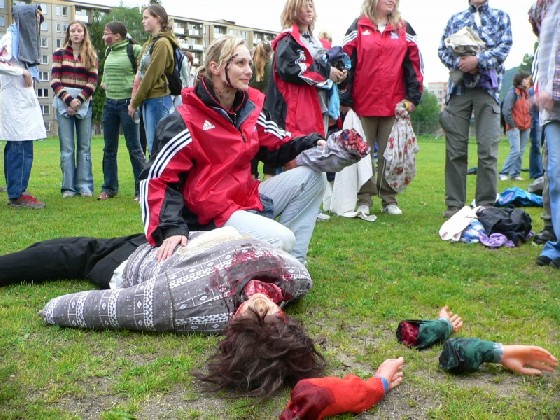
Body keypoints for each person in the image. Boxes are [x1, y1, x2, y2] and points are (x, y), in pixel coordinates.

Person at [0, 227, 325, 397]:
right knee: (72, 247)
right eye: (273, 320)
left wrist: (54, 309)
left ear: (234, 329)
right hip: (182, 238)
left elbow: (106, 307)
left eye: (253, 320)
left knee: (74, 252)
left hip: (131, 260)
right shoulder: (295, 281)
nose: (260, 306)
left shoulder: (184, 303)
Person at [139, 35, 326, 265]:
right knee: (282, 239)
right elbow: (156, 179)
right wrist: (171, 228)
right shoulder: (184, 121)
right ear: (215, 67)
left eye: (249, 63)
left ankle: (294, 265)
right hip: (211, 217)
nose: (249, 71)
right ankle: (281, 264)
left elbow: (278, 144)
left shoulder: (248, 110)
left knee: (312, 178)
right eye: (240, 63)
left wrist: (311, 142)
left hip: (245, 198)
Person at [341, 0, 423, 216]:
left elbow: (415, 65)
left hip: (394, 104)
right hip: (362, 103)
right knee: (361, 154)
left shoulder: (405, 28)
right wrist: (345, 99)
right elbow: (346, 63)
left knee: (391, 155)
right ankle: (364, 199)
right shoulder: (357, 26)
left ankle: (389, 199)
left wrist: (413, 98)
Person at [438, 0, 512, 219]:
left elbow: (504, 48)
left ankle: (486, 204)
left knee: (488, 149)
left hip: (488, 91)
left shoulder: (501, 16)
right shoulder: (456, 19)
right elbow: (442, 50)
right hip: (459, 90)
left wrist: (478, 61)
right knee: (455, 150)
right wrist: (461, 63)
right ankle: (454, 205)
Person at [265, 0, 347, 138]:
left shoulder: (315, 41)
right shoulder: (288, 39)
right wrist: (327, 72)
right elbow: (290, 69)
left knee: (318, 145)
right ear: (293, 10)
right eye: (304, 6)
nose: (309, 9)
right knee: (304, 147)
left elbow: (325, 64)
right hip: (297, 110)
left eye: (310, 6)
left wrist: (341, 74)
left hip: (320, 105)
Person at [0, 4, 46, 209]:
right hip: (13, 97)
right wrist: (23, 72)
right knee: (18, 144)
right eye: (35, 18)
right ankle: (16, 194)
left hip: (22, 97)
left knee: (24, 143)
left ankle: (19, 189)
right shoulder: (11, 37)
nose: (37, 23)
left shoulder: (24, 40)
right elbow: (1, 62)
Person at [99, 22, 146, 201]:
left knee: (134, 148)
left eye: (107, 34)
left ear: (118, 35)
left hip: (128, 104)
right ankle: (109, 188)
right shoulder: (109, 51)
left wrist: (136, 96)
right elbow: (107, 71)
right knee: (109, 149)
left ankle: (141, 189)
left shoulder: (134, 50)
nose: (104, 37)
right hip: (110, 104)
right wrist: (104, 82)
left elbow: (144, 71)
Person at [51, 20, 98, 198]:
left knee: (84, 147)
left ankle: (84, 186)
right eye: (73, 31)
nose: (76, 33)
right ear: (69, 34)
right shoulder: (60, 53)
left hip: (84, 103)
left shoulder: (91, 55)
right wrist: (69, 100)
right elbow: (55, 80)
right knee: (67, 148)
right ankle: (68, 188)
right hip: (64, 103)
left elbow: (93, 82)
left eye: (79, 31)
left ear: (84, 33)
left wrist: (79, 100)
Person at [128, 4, 177, 157]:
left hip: (158, 99)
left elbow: (151, 75)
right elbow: (140, 72)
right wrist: (135, 99)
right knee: (152, 146)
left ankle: (160, 174)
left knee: (157, 147)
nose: (143, 21)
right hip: (148, 99)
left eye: (146, 17)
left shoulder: (162, 43)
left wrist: (135, 102)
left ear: (158, 19)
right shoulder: (150, 42)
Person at [533, 0, 560, 268]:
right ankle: (557, 242)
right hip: (552, 107)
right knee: (555, 174)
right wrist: (545, 87)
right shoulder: (544, 5)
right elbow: (546, 47)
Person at [499, 71, 532, 181]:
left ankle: (515, 174)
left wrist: (529, 123)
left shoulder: (526, 94)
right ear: (520, 80)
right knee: (515, 151)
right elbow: (506, 110)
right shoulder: (512, 93)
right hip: (514, 126)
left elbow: (529, 110)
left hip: (526, 126)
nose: (528, 81)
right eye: (526, 79)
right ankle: (503, 173)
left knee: (520, 152)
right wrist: (512, 125)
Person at [249, 41, 275, 179]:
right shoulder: (272, 68)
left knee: (252, 147)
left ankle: (253, 178)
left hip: (252, 112)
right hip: (270, 111)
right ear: (270, 52)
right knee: (270, 146)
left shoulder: (251, 69)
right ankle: (269, 181)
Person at [528, 84, 544, 179]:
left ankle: (538, 170)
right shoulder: (532, 90)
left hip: (542, 118)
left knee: (538, 146)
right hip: (535, 119)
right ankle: (537, 172)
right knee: (536, 145)